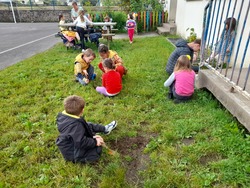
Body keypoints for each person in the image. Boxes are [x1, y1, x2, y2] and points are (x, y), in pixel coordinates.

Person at [56, 95, 117, 163]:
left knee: (88, 125)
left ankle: (105, 129)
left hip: (73, 139)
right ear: (82, 111)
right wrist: (95, 142)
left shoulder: (64, 116)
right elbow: (81, 142)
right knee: (97, 150)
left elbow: (79, 133)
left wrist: (92, 136)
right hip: (72, 152)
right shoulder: (75, 126)